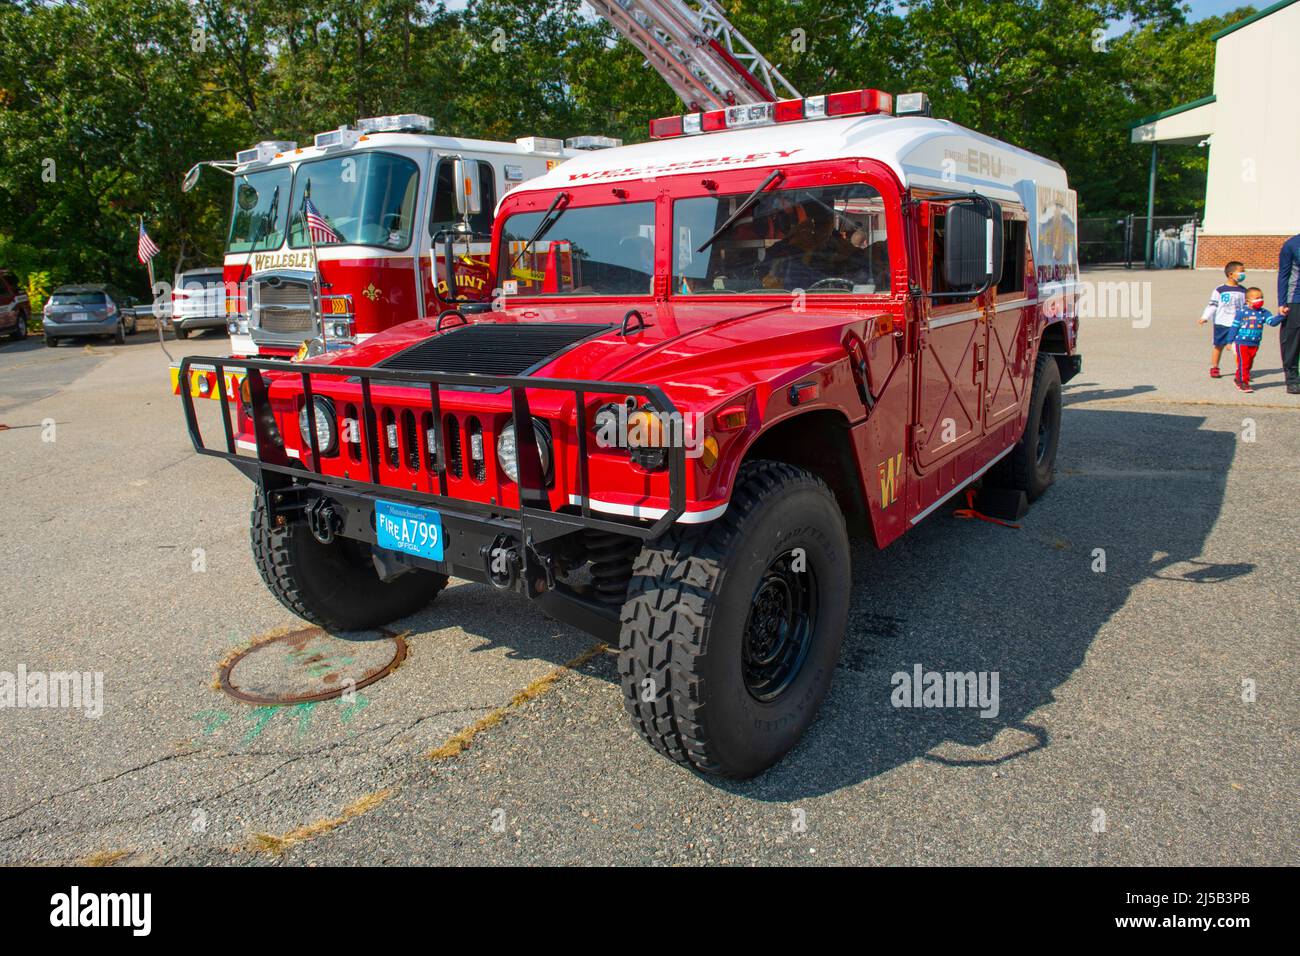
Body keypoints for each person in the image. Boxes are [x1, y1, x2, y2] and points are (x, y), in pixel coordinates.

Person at [1227, 287, 1283, 393]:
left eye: (1261, 297)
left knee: (1248, 363)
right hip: (1241, 342)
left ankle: (1238, 378)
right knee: (1243, 363)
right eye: (1256, 298)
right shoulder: (1242, 312)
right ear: (1248, 301)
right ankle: (1243, 383)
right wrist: (1230, 341)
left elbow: (1272, 322)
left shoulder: (1264, 312)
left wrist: (1281, 316)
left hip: (1255, 342)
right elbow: (1234, 327)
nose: (1260, 300)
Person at [1198, 260, 1246, 378]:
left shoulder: (1244, 291)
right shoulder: (1220, 290)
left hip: (1237, 324)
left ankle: (1240, 370)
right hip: (1221, 323)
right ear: (1231, 274)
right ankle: (1214, 367)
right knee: (1218, 346)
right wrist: (1205, 317)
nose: (1243, 274)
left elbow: (1246, 307)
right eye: (1241, 272)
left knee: (1237, 348)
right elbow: (1212, 305)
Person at [1277, 232, 1300, 394]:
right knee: (1293, 339)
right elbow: (1283, 275)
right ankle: (1292, 379)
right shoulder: (1292, 245)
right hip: (1296, 298)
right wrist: (1282, 302)